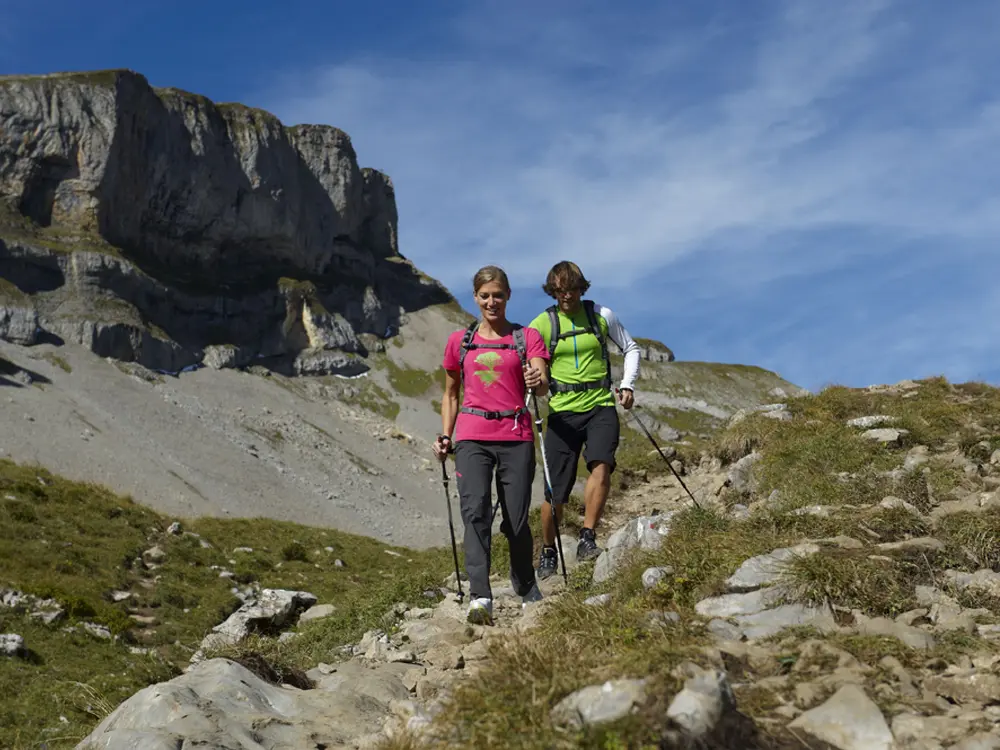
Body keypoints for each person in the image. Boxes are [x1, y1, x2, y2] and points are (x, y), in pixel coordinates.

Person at [433, 265, 550, 624]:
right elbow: (451, 394)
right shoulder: (460, 341)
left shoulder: (527, 337)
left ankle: (525, 584)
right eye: (485, 296)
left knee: (516, 519)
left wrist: (537, 377)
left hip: (516, 434)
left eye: (498, 295)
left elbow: (542, 385)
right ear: (475, 297)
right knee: (475, 513)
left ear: (508, 296)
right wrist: (446, 435)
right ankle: (480, 597)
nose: (491, 302)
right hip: (471, 436)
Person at [528, 260, 641, 578]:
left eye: (573, 289)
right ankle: (548, 549)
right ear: (552, 291)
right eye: (560, 290)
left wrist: (628, 385)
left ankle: (587, 537)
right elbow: (534, 367)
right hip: (562, 413)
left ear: (582, 287)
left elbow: (631, 348)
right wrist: (534, 381)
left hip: (600, 405)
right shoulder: (541, 324)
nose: (567, 295)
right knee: (554, 492)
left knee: (601, 466)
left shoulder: (601, 316)